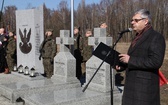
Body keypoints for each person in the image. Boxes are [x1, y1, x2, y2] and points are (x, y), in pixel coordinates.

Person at [116, 9, 166, 105]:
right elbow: (136, 58)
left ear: (146, 21)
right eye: (132, 20)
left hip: (144, 89)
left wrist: (130, 60)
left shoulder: (156, 37)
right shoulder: (137, 37)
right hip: (131, 86)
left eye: (136, 20)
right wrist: (122, 65)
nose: (132, 23)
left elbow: (155, 62)